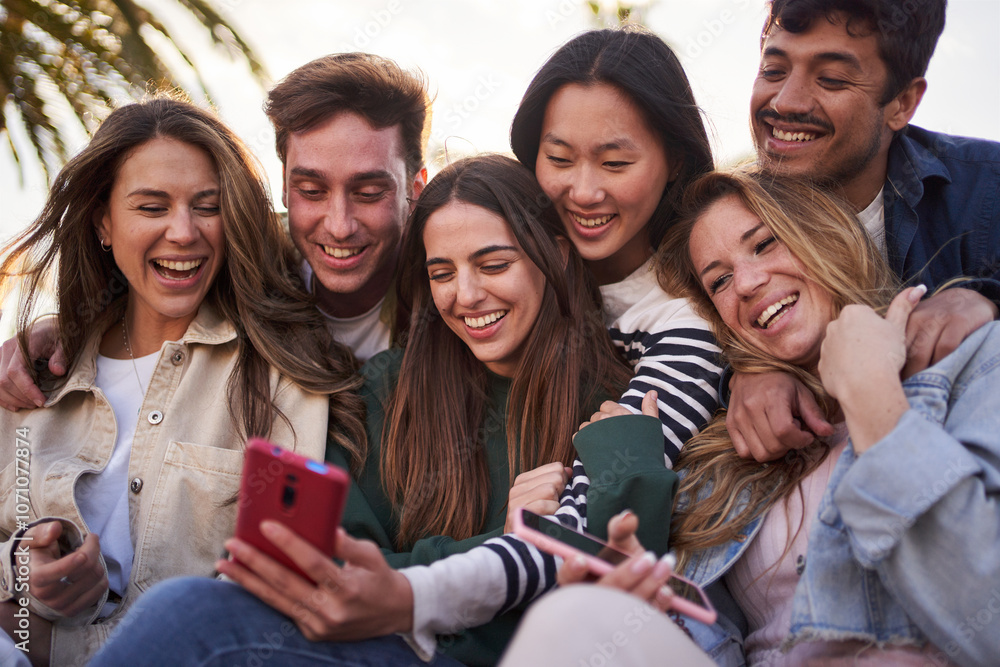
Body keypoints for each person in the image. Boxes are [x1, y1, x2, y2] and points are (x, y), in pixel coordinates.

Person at [90, 154, 636, 667]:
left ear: (557, 255)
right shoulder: (388, 390)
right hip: (385, 652)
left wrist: (408, 580)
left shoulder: (623, 397)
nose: (466, 295)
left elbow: (623, 598)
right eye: (442, 273)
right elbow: (329, 574)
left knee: (186, 612)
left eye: (492, 265)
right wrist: (497, 545)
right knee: (191, 610)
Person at [506, 169, 999, 666]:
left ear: (825, 232)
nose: (745, 283)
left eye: (764, 245)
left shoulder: (970, 361)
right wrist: (653, 608)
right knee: (576, 616)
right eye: (718, 280)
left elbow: (986, 621)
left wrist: (873, 399)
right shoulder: (725, 448)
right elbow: (714, 640)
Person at [0, 97, 364, 666]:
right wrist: (20, 564)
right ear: (103, 220)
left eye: (208, 206)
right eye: (151, 206)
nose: (183, 231)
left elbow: (269, 601)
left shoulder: (280, 376)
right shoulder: (30, 383)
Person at [0, 52, 430, 411]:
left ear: (415, 189)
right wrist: (63, 327)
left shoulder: (449, 281)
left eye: (370, 192)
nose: (339, 225)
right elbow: (149, 295)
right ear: (284, 185)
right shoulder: (243, 256)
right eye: (312, 190)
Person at [728, 0, 1000, 462]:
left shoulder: (987, 188)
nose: (786, 102)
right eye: (773, 70)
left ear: (902, 103)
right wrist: (745, 367)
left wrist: (988, 302)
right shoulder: (723, 217)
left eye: (831, 79)